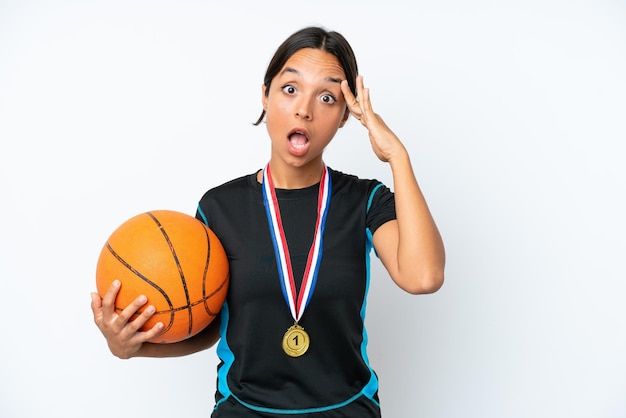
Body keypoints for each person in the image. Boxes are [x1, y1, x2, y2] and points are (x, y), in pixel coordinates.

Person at [91, 26, 445, 417]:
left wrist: (397, 155)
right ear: (265, 94)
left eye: (327, 97)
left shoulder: (366, 201)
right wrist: (133, 346)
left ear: (345, 115)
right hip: (243, 410)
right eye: (290, 89)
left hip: (347, 410)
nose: (304, 109)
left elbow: (423, 277)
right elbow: (206, 320)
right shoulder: (218, 207)